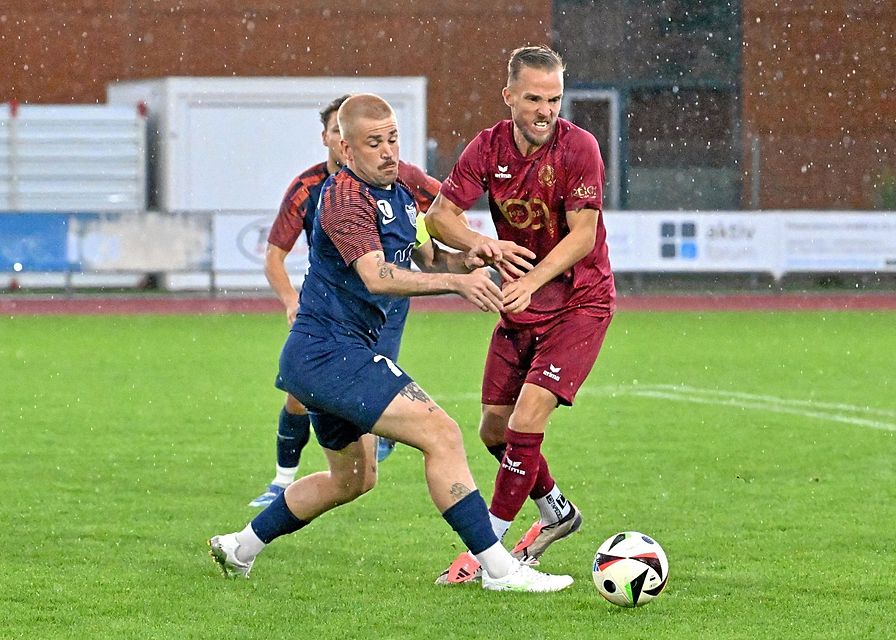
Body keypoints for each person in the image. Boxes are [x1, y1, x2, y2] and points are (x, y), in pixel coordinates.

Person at [209, 93, 573, 593]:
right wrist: (456, 285)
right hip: (328, 353)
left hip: (330, 357)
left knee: (352, 480)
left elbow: (428, 259)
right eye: (374, 143)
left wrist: (473, 259)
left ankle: (239, 547)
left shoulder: (399, 190)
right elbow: (377, 275)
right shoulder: (341, 199)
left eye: (393, 138)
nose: (388, 151)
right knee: (441, 434)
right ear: (347, 150)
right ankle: (500, 571)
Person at [425, 45, 616, 584]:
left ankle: (491, 556)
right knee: (492, 430)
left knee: (526, 420)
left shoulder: (580, 148)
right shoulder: (487, 149)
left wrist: (530, 279)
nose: (545, 110)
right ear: (508, 96)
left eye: (554, 99)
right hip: (523, 306)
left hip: (580, 301)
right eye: (533, 98)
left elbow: (583, 235)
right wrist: (482, 243)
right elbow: (441, 218)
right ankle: (556, 510)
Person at [249, 95, 442, 508]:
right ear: (332, 139)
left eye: (389, 138)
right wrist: (289, 301)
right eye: (338, 132)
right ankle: (283, 479)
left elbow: (446, 206)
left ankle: (373, 443)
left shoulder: (401, 178)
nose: (383, 149)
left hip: (386, 310)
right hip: (332, 310)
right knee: (301, 396)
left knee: (375, 398)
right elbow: (274, 256)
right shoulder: (311, 190)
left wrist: (472, 244)